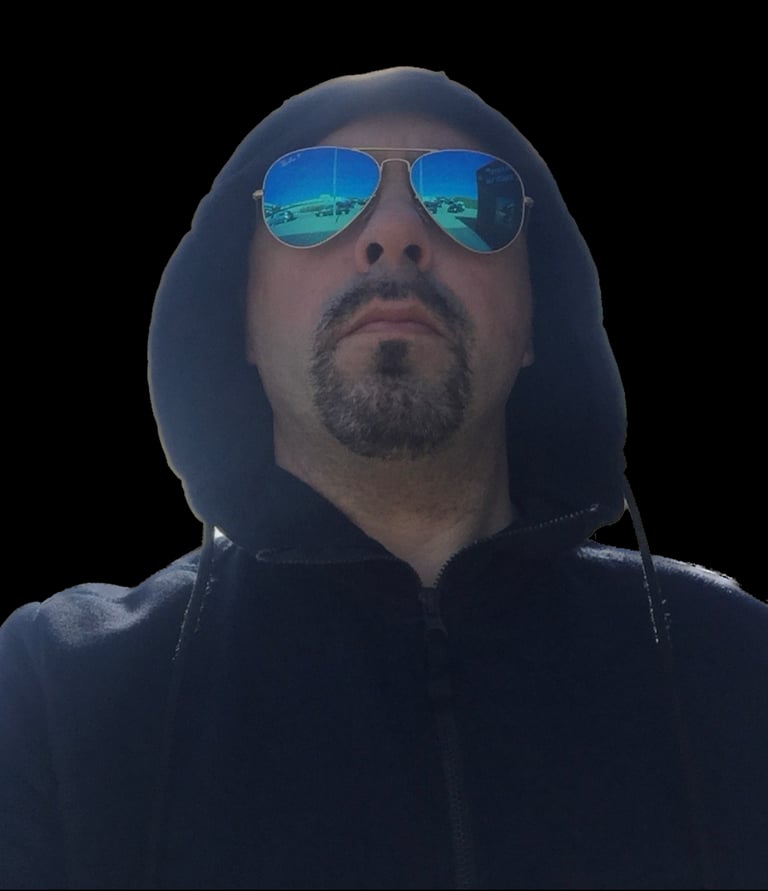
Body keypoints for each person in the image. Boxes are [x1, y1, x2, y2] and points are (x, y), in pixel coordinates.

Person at [1, 67, 765, 890]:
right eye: (316, 197)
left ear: (535, 324)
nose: (395, 231)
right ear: (242, 321)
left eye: (468, 198)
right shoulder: (60, 690)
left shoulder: (735, 664)